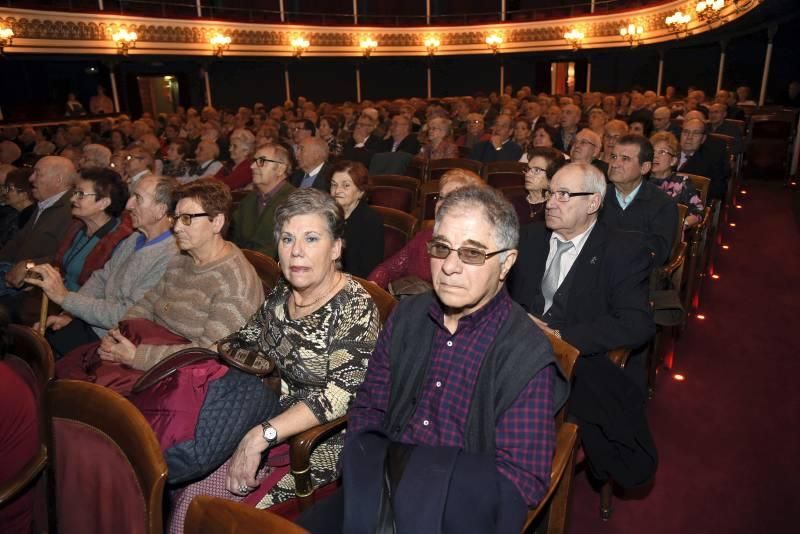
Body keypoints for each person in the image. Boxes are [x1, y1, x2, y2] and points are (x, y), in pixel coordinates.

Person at [299, 186, 569, 533]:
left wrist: (420, 480)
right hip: (380, 486)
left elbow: (520, 479)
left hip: (461, 509)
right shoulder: (406, 316)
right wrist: (369, 478)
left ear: (507, 262)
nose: (450, 267)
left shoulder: (525, 354)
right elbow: (369, 408)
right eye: (441, 248)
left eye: (472, 253)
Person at [168, 188, 380, 532]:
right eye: (287, 238)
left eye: (311, 238)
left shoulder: (354, 306)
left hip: (321, 443)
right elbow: (242, 338)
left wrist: (261, 435)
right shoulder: (283, 292)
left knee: (214, 518)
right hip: (268, 416)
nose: (297, 251)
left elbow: (342, 396)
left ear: (336, 248)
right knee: (186, 496)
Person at [56, 178, 263, 379]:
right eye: (176, 218)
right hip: (150, 353)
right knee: (66, 370)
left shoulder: (235, 283)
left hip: (182, 376)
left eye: (187, 219)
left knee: (80, 389)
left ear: (216, 222)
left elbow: (208, 354)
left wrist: (137, 356)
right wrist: (118, 333)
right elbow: (147, 303)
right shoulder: (182, 258)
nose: (177, 228)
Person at [28, 175, 179, 357]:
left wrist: (66, 298)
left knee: (40, 357)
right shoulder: (135, 238)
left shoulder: (170, 256)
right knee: (33, 344)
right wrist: (69, 314)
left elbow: (127, 315)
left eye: (137, 198)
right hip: (92, 323)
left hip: (113, 339)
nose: (128, 205)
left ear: (160, 210)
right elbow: (101, 277)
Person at [367, 169, 485, 291]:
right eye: (441, 197)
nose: (442, 204)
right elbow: (389, 269)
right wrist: (372, 287)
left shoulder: (474, 250)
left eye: (452, 199)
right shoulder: (424, 237)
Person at [0, 156, 75, 300]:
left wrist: (28, 266)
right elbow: (17, 241)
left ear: (58, 180)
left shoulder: (71, 210)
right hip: (13, 274)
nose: (31, 179)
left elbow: (66, 257)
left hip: (34, 287)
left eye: (38, 173)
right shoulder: (44, 203)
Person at [48, 167, 132, 294]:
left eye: (81, 194)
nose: (72, 199)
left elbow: (107, 293)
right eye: (74, 193)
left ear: (103, 203)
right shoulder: (77, 227)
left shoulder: (120, 242)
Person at [602, 134, 678, 267]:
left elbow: (657, 254)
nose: (615, 164)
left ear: (645, 167)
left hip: (637, 277)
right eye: (613, 157)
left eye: (625, 159)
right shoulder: (598, 196)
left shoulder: (663, 204)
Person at [230, 144, 296, 258]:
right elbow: (235, 241)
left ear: (280, 169)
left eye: (261, 161)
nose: (252, 166)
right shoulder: (248, 201)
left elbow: (286, 248)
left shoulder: (295, 201)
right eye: (254, 161)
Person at [330, 160, 384, 278]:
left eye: (346, 185)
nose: (337, 191)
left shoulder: (371, 222)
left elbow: (366, 272)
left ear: (361, 191)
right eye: (334, 185)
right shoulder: (326, 215)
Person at [649, 132, 704, 227]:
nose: (655, 156)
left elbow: (698, 212)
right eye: (652, 151)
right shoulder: (639, 180)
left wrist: (682, 226)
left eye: (662, 152)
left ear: (673, 161)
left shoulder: (683, 182)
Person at [676, 118, 729, 201]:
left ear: (703, 139)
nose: (689, 137)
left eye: (696, 133)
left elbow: (719, 189)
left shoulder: (711, 159)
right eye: (686, 132)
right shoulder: (670, 153)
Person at [511, 147, 565, 224]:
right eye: (528, 169)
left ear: (553, 175)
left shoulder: (557, 207)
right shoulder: (513, 203)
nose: (528, 174)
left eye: (537, 170)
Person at [0, 168, 35, 248]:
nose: (5, 192)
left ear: (24, 194)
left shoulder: (28, 218)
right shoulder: (14, 213)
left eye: (10, 189)